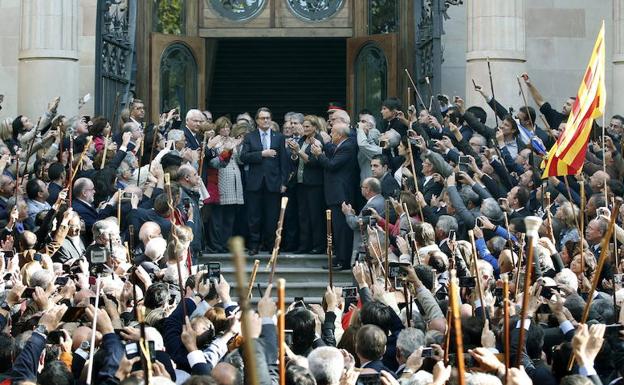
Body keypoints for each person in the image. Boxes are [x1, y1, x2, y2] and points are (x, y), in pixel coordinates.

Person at [311, 109, 357, 270]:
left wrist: (319, 154)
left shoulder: (349, 146)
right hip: (334, 194)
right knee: (336, 229)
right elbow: (331, 149)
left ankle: (343, 261)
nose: (330, 134)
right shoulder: (340, 144)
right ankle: (338, 258)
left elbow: (332, 165)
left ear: (340, 135)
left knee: (342, 229)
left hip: (341, 194)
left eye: (332, 132)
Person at [240, 107, 289, 255]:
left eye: (268, 118)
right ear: (257, 121)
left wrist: (284, 182)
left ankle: (271, 245)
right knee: (254, 216)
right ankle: (254, 245)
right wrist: (262, 154)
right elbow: (244, 156)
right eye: (263, 118)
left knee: (272, 216)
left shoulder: (279, 137)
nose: (266, 120)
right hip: (255, 182)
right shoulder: (250, 137)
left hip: (273, 182)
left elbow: (283, 162)